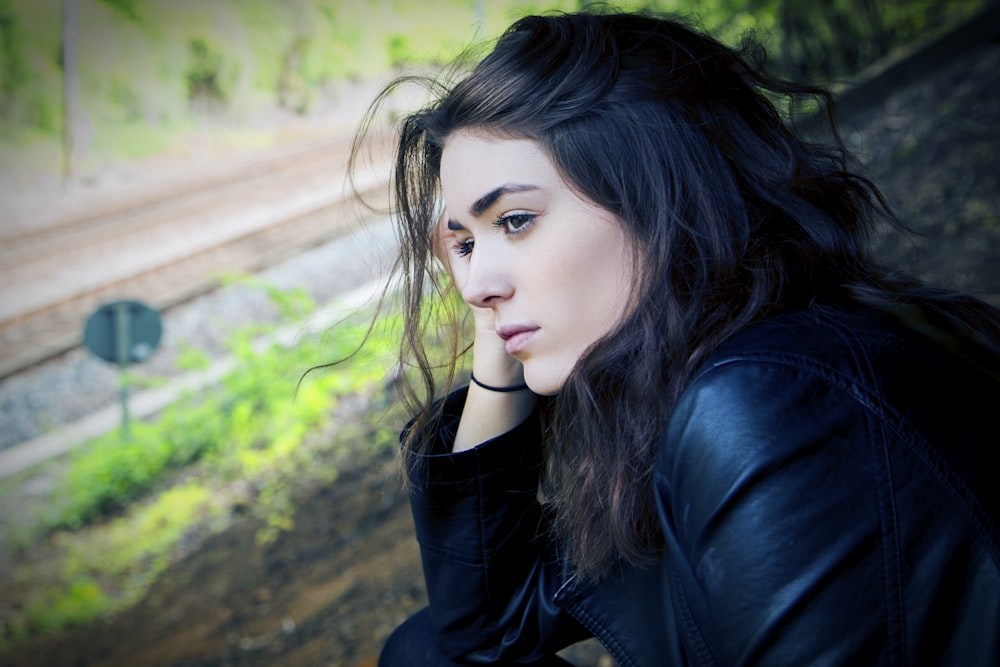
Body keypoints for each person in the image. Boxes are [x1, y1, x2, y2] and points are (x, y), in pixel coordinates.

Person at [354, 9, 1000, 666]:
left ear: (655, 195)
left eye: (515, 220)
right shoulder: (696, 371)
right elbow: (484, 624)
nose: (474, 284)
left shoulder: (770, 402)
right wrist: (499, 340)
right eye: (463, 241)